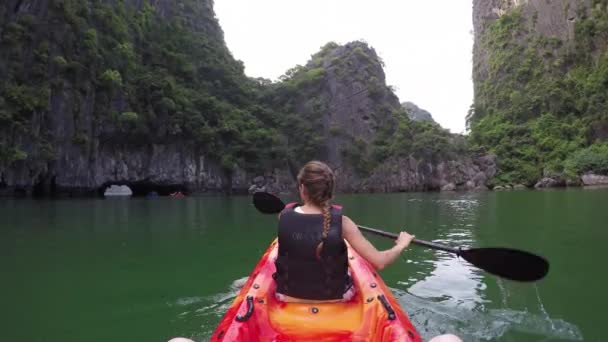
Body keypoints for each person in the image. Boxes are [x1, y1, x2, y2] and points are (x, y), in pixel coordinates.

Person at [273, 160, 415, 303]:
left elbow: (296, 215)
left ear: (302, 188)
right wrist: (401, 245)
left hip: (287, 297)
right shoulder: (344, 223)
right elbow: (380, 262)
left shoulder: (283, 216)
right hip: (334, 299)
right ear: (330, 191)